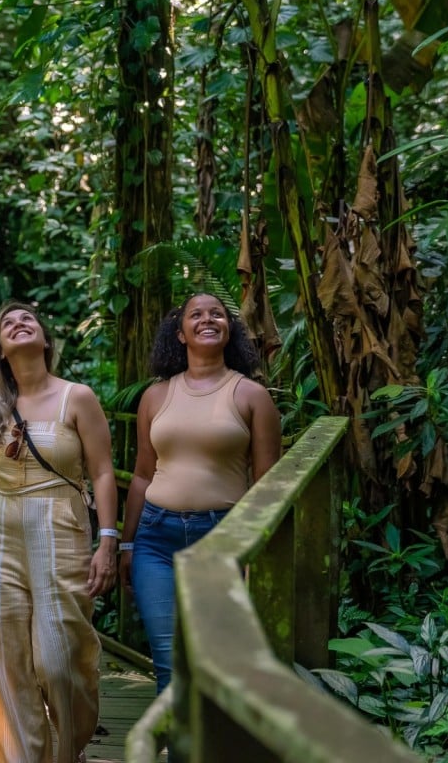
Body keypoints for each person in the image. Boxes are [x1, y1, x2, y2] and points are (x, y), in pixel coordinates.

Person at [0, 300, 118, 763]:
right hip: (0, 527)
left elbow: (101, 473)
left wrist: (109, 541)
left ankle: (68, 748)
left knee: (57, 657)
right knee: (6, 654)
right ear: (0, 348)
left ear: (44, 339)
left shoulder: (75, 397)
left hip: (59, 523)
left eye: (28, 320)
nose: (19, 324)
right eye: (8, 324)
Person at [118, 292, 281, 696]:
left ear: (230, 331)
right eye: (196, 315)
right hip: (155, 540)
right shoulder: (155, 396)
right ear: (180, 334)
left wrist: (251, 556)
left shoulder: (251, 396)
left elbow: (266, 485)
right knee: (169, 664)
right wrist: (125, 543)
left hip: (220, 539)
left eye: (218, 314)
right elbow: (141, 474)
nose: (208, 319)